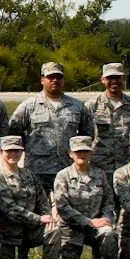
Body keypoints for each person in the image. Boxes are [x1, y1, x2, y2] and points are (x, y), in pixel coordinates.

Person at [0, 136, 66, 259]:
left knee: (53, 231)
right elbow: (9, 209)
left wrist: (47, 216)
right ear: (1, 153)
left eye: (17, 151)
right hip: (8, 233)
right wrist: (39, 218)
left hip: (30, 231)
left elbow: (42, 199)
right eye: (9, 151)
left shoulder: (29, 175)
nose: (13, 154)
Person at [7, 62, 92, 199]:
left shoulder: (77, 107)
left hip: (69, 168)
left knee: (70, 208)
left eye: (58, 77)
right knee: (40, 209)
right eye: (50, 77)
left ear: (63, 80)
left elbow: (87, 134)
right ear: (42, 80)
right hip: (38, 169)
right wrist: (28, 147)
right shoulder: (29, 106)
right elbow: (13, 132)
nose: (55, 80)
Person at [50, 137, 118, 259]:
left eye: (85, 151)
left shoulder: (100, 174)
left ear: (91, 154)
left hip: (96, 226)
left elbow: (109, 201)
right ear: (71, 154)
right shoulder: (63, 176)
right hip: (71, 228)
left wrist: (106, 219)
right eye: (78, 152)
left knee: (109, 234)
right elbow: (62, 207)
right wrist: (87, 221)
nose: (82, 154)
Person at [85, 63, 130, 183]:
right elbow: (85, 135)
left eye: (117, 77)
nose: (114, 81)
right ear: (103, 80)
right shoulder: (91, 106)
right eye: (110, 78)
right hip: (99, 165)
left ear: (124, 78)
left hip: (127, 165)